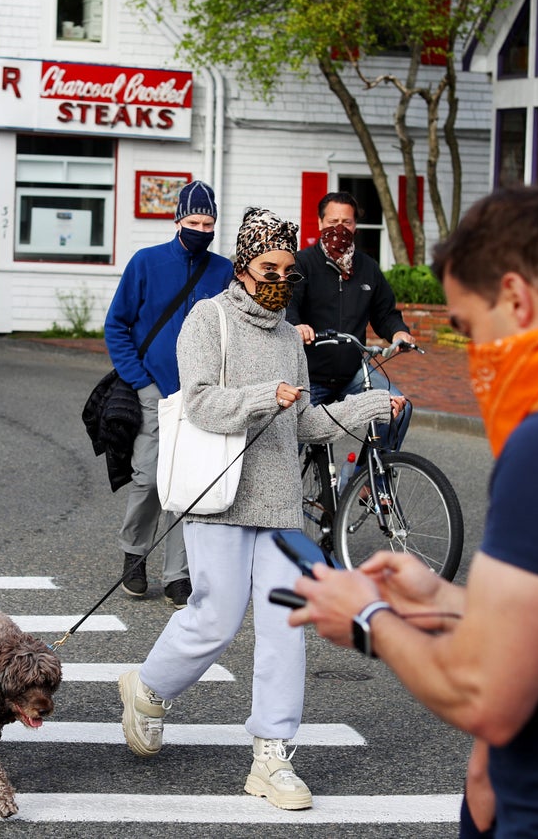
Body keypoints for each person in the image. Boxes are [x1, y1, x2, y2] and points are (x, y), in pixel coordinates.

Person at [290, 185, 538, 836]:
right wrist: (448, 601)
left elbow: (488, 694)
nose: (476, 357)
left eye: (471, 328)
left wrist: (368, 619)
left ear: (516, 298)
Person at [118, 207, 401, 810]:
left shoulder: (287, 338)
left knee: (285, 626)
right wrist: (258, 396)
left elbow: (304, 423)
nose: (279, 279)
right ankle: (146, 688)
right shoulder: (207, 319)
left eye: (288, 270)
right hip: (217, 499)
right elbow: (197, 405)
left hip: (276, 503)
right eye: (268, 267)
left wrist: (370, 409)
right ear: (243, 266)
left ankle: (272, 755)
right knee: (215, 618)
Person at [104, 180, 234, 609]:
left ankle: (178, 573)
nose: (201, 228)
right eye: (194, 220)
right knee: (149, 476)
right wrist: (140, 380)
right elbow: (116, 325)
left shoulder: (223, 271)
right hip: (154, 388)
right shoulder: (146, 263)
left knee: (188, 482)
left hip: (202, 390)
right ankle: (134, 554)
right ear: (177, 219)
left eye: (208, 221)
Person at [286, 191, 414, 451]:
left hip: (353, 374)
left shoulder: (368, 267)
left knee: (398, 407)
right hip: (309, 376)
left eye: (347, 222)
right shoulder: (302, 263)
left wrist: (399, 332)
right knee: (289, 444)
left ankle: (367, 483)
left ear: (355, 225)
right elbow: (288, 305)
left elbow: (384, 313)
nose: (339, 229)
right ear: (320, 222)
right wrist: (296, 326)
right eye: (333, 222)